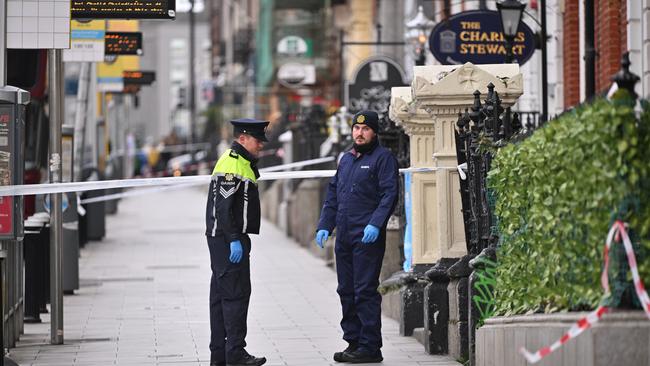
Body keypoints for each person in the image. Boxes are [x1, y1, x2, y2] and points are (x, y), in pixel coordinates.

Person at [315, 110, 399, 363]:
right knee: (346, 290)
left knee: (364, 290)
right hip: (344, 235)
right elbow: (333, 194)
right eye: (356, 129)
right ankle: (354, 341)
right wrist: (324, 225)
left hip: (366, 236)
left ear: (374, 132)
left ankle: (370, 346)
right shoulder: (347, 159)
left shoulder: (383, 158)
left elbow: (389, 194)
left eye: (365, 129)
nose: (359, 133)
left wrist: (376, 224)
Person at [205, 118, 269, 366]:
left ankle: (219, 356)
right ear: (242, 139)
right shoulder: (232, 164)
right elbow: (223, 208)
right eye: (257, 140)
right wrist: (233, 239)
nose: (260, 145)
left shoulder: (241, 162)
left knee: (221, 298)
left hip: (224, 238)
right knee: (235, 296)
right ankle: (235, 354)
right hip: (227, 238)